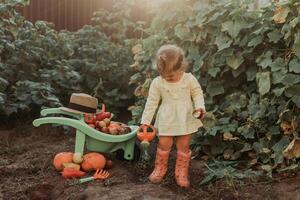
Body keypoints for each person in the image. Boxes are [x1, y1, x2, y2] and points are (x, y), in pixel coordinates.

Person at [140, 44, 206, 187]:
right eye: (165, 74)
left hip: (185, 117)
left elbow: (197, 93)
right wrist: (145, 121)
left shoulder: (189, 79)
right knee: (164, 144)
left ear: (181, 66)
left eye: (172, 74)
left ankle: (181, 172)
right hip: (166, 119)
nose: (169, 77)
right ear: (160, 70)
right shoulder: (157, 83)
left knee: (184, 145)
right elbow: (151, 103)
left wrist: (200, 107)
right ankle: (160, 169)